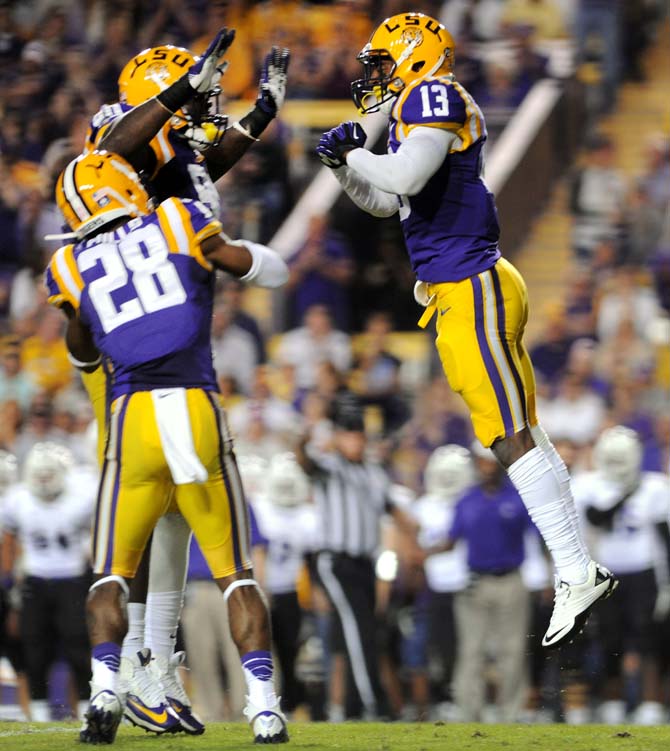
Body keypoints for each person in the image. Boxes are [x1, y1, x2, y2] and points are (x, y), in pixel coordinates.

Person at [316, 11, 617, 650]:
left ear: (413, 57)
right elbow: (382, 199)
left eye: (381, 62)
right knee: (519, 432)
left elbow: (403, 177)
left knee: (510, 436)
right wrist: (343, 167)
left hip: (471, 286)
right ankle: (576, 565)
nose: (373, 76)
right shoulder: (416, 107)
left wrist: (357, 151)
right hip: (464, 288)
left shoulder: (433, 93)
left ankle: (573, 567)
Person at [69, 31, 290, 735]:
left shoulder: (167, 157)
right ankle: (141, 665)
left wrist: (257, 118)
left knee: (166, 511)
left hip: (156, 345)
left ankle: (149, 664)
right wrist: (179, 91)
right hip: (130, 353)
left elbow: (201, 165)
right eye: (196, 92)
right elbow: (114, 151)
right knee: (146, 509)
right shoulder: (117, 139)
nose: (206, 108)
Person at [295, 392, 418, 720]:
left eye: (360, 435)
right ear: (338, 437)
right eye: (350, 434)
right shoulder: (330, 465)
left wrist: (414, 537)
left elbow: (391, 509)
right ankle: (374, 706)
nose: (357, 441)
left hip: (366, 562)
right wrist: (314, 430)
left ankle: (352, 706)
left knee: (365, 632)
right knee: (359, 630)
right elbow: (304, 460)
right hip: (335, 560)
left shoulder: (374, 472)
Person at [423, 443, 534, 721]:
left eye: (490, 463)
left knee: (512, 649)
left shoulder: (518, 498)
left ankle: (511, 713)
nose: (486, 468)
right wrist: (422, 552)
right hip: (475, 582)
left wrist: (550, 574)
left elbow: (538, 538)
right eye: (482, 463)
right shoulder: (467, 500)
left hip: (510, 579)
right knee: (472, 650)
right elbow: (451, 541)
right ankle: (468, 712)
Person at [573, 426, 670, 724]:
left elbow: (665, 537)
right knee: (609, 639)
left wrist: (667, 583)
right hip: (607, 572)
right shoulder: (587, 485)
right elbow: (593, 519)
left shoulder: (655, 486)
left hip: (644, 571)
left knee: (648, 639)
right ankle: (613, 701)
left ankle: (650, 703)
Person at [0, 443, 94, 722]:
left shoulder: (82, 496)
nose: (43, 480)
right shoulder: (18, 499)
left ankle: (88, 710)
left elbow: (98, 537)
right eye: (39, 474)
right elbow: (8, 539)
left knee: (79, 648)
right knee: (35, 651)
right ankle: (39, 714)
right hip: (35, 581)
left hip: (73, 579)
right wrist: (8, 580)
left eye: (49, 474)